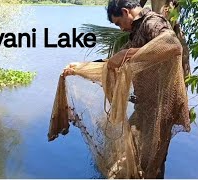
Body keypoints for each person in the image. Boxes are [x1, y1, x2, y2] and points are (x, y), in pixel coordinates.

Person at [63, 0, 188, 178]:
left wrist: (127, 54)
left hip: (160, 108)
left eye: (118, 23)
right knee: (132, 153)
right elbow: (114, 62)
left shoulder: (152, 22)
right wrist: (79, 67)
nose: (121, 29)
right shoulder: (137, 29)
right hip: (145, 106)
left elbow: (172, 45)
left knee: (152, 162)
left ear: (125, 12)